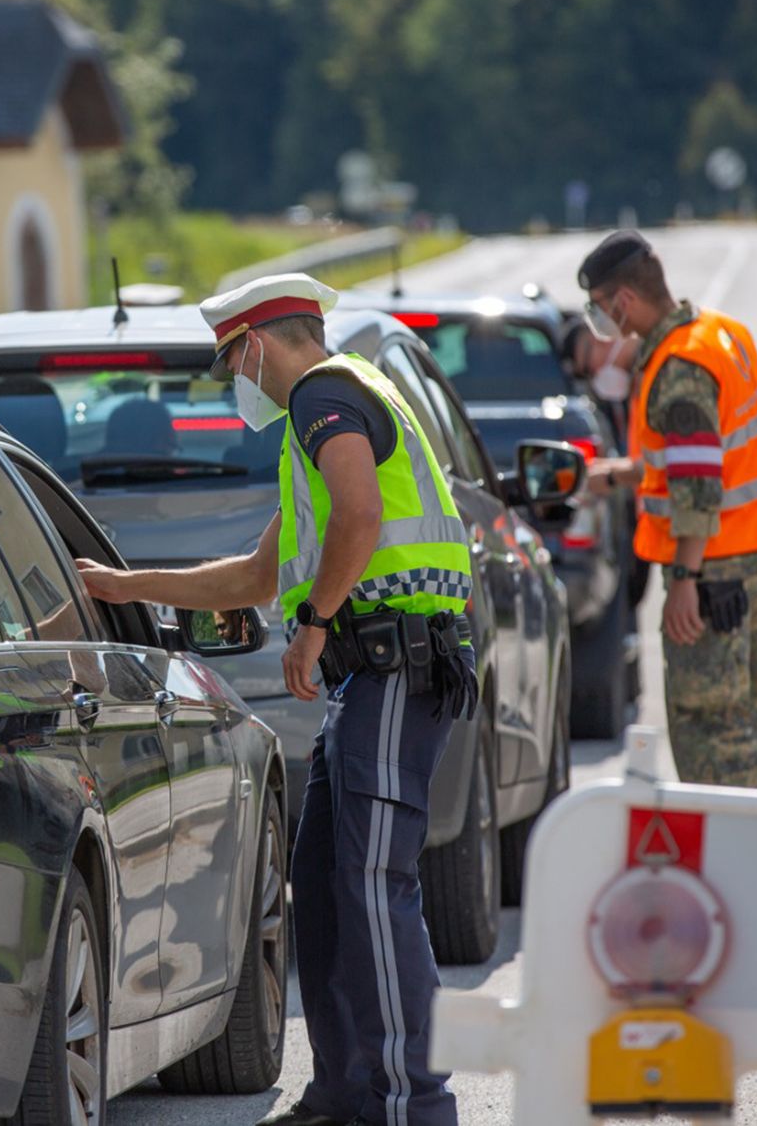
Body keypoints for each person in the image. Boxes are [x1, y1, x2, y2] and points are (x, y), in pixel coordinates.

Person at [75, 273, 474, 1126]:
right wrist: (123, 584)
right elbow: (260, 573)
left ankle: (414, 1100)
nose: (233, 381)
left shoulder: (324, 396)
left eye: (230, 362)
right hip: (374, 676)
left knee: (372, 881)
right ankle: (345, 1089)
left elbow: (360, 518)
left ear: (258, 342)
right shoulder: (327, 422)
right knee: (323, 884)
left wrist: (315, 625)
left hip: (395, 665)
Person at [573, 230, 757, 790]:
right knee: (749, 716)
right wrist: (623, 474)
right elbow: (743, 442)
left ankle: (737, 853)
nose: (602, 325)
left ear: (624, 300)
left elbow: (697, 484)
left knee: (712, 730)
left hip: (713, 573)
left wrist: (686, 579)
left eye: (600, 309)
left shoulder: (678, 369)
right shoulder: (723, 335)